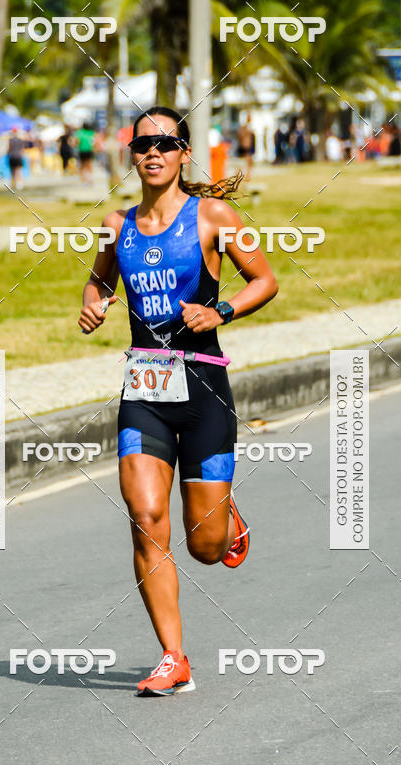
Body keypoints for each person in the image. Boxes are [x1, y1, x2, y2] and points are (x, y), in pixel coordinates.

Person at [78, 106, 278, 696]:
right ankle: (173, 657)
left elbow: (265, 280)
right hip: (144, 389)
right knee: (145, 519)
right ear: (132, 155)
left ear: (184, 153)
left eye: (166, 143)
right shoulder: (116, 224)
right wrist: (93, 301)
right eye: (143, 144)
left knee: (206, 547)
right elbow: (100, 279)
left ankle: (227, 518)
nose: (154, 152)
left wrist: (220, 311)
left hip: (205, 388)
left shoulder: (215, 216)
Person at [237, 113, 255, 180]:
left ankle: (247, 175)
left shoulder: (246, 127)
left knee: (249, 162)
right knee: (247, 162)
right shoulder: (245, 128)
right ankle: (246, 175)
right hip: (245, 147)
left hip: (246, 146)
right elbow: (240, 136)